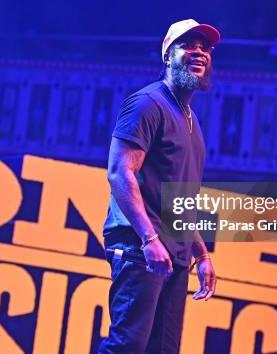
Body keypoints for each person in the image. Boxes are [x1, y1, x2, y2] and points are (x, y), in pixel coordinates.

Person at [99, 19, 218, 353]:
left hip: (175, 254)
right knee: (128, 346)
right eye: (189, 45)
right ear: (167, 54)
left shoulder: (190, 118)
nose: (199, 52)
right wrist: (149, 238)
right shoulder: (147, 104)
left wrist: (201, 253)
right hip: (142, 248)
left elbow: (178, 201)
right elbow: (120, 174)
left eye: (205, 47)